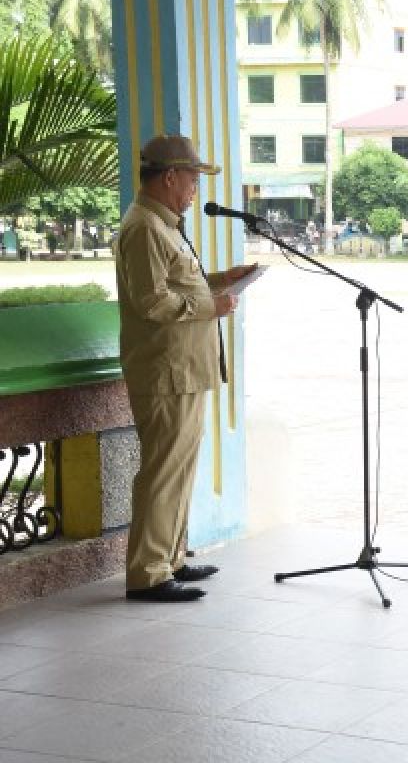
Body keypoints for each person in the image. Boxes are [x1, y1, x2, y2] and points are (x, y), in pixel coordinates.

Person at [115, 134, 258, 602]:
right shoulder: (144, 229)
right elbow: (150, 299)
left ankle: (169, 558)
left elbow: (179, 285)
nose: (196, 187)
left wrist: (222, 280)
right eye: (193, 177)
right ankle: (149, 573)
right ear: (169, 176)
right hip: (165, 370)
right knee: (162, 471)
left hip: (183, 368)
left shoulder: (165, 225)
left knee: (178, 469)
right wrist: (210, 306)